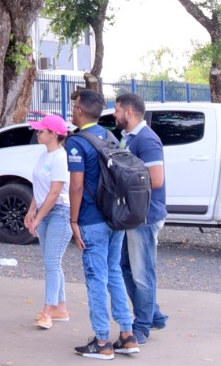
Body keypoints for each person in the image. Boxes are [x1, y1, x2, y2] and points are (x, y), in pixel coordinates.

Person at [67, 88, 138, 359]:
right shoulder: (109, 136)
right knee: (114, 272)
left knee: (96, 277)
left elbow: (76, 186)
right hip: (114, 217)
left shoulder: (76, 142)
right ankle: (127, 335)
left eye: (74, 106)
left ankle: (101, 341)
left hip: (91, 219)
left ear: (80, 111)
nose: (72, 110)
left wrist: (74, 220)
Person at [115, 91, 167, 345]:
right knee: (125, 267)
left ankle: (142, 326)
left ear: (129, 111)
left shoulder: (147, 139)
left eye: (117, 110)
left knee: (142, 274)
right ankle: (153, 314)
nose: (114, 115)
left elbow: (156, 179)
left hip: (144, 216)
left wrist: (122, 177)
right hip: (132, 215)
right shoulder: (128, 137)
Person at [23, 113, 73, 330]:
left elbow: (54, 193)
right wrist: (31, 210)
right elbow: (41, 188)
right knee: (52, 262)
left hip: (59, 213)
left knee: (52, 263)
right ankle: (60, 308)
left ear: (53, 134)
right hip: (46, 212)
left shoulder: (60, 157)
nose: (37, 133)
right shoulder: (45, 155)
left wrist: (38, 217)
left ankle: (48, 312)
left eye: (41, 130)